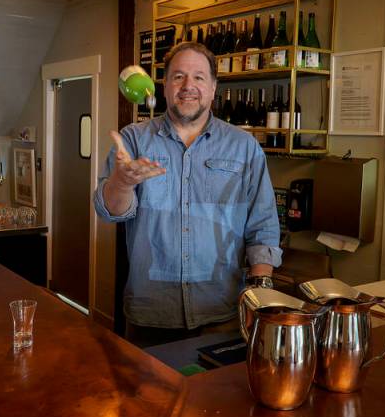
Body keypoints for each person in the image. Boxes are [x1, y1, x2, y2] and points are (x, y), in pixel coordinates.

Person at [94, 41, 282, 347]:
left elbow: (263, 226)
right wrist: (122, 182)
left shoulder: (243, 147)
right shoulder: (133, 139)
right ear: (165, 87)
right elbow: (110, 211)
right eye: (178, 77)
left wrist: (259, 293)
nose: (188, 86)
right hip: (150, 314)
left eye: (198, 77)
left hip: (221, 314)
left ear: (212, 88)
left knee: (216, 396)